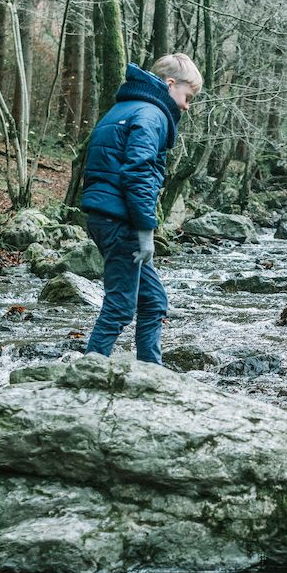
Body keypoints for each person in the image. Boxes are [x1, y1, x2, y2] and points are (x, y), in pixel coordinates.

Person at [79, 54, 202, 365]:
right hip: (121, 219)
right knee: (120, 306)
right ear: (170, 84)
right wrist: (147, 231)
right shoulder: (151, 115)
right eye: (187, 97)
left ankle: (151, 370)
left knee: (153, 301)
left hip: (105, 216)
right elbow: (139, 173)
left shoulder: (125, 107)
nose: (187, 106)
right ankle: (87, 373)